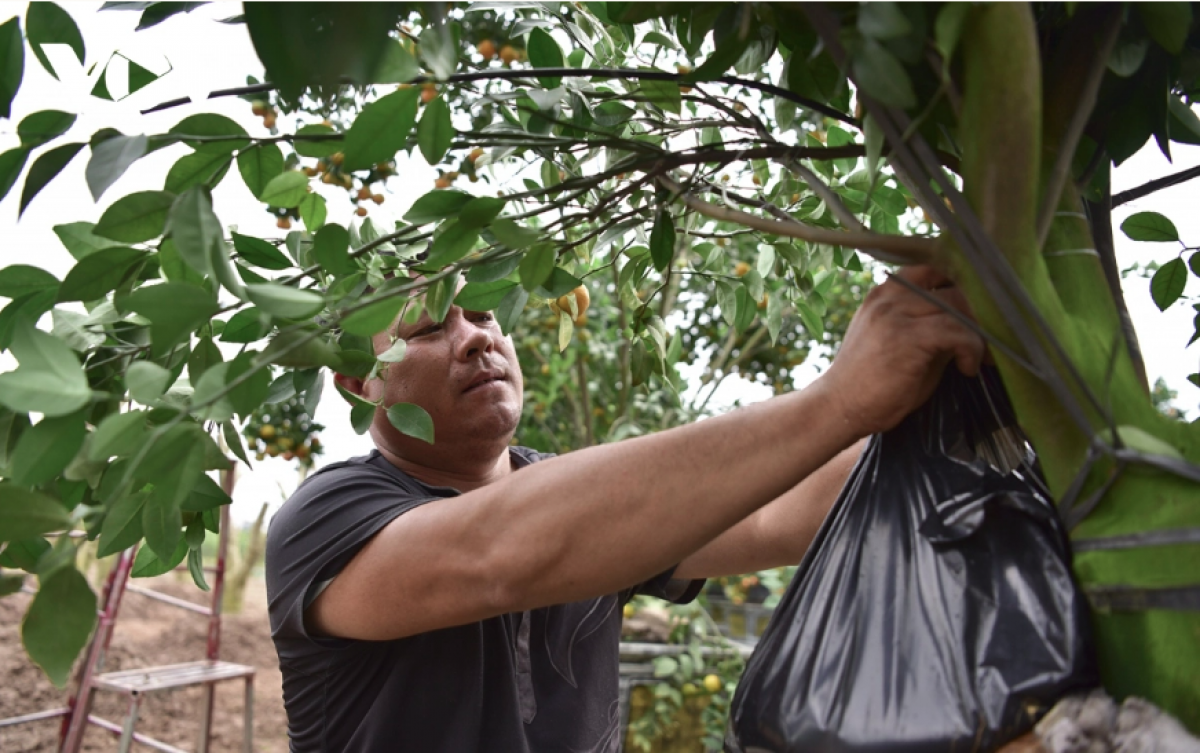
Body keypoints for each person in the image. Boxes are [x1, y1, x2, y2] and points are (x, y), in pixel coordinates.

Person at [265, 265, 985, 751]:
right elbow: (496, 553)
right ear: (359, 380)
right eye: (429, 329)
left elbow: (778, 511)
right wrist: (838, 399)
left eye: (485, 314)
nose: (479, 335)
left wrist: (955, 415)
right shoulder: (329, 516)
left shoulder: (581, 502)